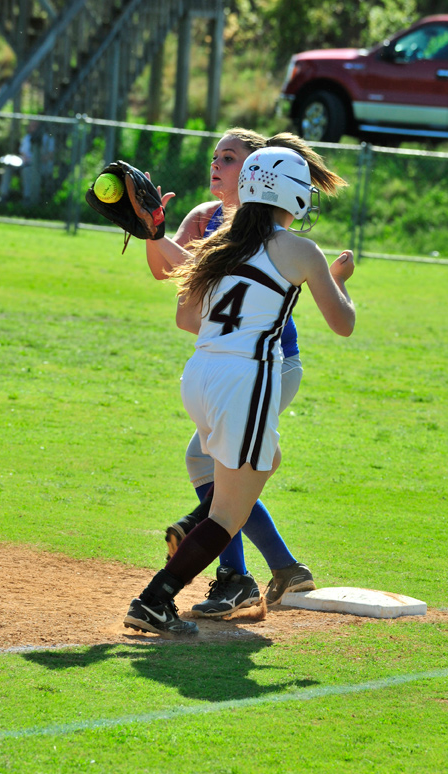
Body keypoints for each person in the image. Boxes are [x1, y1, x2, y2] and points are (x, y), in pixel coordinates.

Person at [124, 145, 355, 636]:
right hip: (246, 379)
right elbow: (344, 323)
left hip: (201, 376)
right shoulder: (299, 249)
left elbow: (187, 319)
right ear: (292, 193)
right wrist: (339, 280)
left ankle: (205, 534)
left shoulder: (218, 242)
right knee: (231, 511)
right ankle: (156, 600)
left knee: (262, 465)